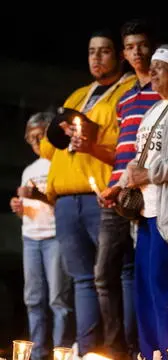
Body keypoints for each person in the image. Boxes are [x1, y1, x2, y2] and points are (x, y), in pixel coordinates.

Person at [104, 43, 168, 360]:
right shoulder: (153, 110)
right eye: (151, 66)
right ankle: (151, 355)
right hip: (146, 215)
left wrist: (148, 174)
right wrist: (119, 185)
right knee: (145, 293)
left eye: (160, 67)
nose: (151, 72)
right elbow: (139, 159)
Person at [38, 28, 136, 356]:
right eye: (92, 51)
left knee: (117, 273)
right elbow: (52, 149)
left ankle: (121, 346)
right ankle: (88, 350)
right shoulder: (77, 95)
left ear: (119, 56)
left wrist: (92, 143)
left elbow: (127, 145)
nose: (96, 57)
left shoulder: (130, 90)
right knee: (82, 278)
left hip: (103, 193)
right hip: (66, 197)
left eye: (104, 51)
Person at [94, 19, 161, 359]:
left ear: (153, 48)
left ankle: (138, 346)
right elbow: (122, 147)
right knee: (104, 274)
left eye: (142, 45)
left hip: (144, 193)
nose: (137, 52)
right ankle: (115, 347)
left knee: (140, 274)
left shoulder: (163, 93)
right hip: (115, 191)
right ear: (124, 53)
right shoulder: (124, 98)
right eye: (131, 47)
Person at [9, 113, 73, 360]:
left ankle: (60, 352)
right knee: (33, 299)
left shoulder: (61, 162)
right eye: (31, 136)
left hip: (55, 236)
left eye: (40, 135)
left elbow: (65, 204)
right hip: (31, 238)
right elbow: (29, 210)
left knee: (59, 300)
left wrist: (37, 196)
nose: (35, 141)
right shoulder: (30, 170)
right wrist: (19, 208)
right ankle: (35, 354)